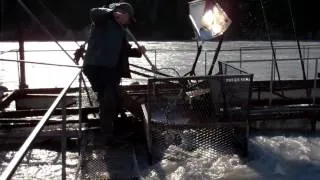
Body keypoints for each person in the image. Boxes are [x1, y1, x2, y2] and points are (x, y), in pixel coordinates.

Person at [83, 2, 146, 144]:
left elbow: (124, 51)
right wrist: (112, 13)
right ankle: (107, 136)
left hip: (111, 69)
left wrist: (138, 52)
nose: (129, 22)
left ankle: (112, 130)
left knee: (110, 98)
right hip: (97, 67)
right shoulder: (104, 19)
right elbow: (93, 11)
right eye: (128, 19)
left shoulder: (121, 30)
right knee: (110, 98)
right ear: (123, 14)